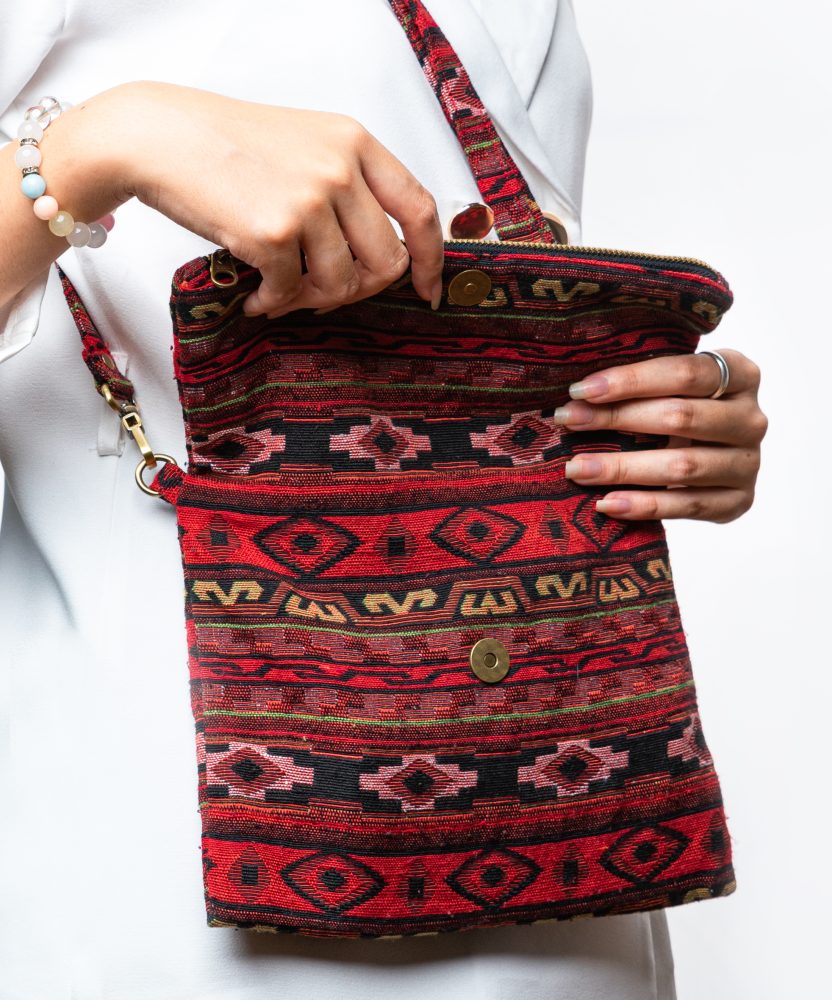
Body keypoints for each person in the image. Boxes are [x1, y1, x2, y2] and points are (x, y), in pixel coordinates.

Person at [0, 1, 765, 998]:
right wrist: (102, 145)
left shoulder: (523, 15)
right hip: (144, 882)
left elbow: (476, 366)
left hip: (559, 886)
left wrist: (670, 417)